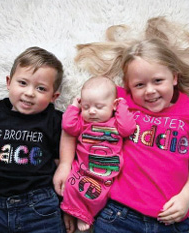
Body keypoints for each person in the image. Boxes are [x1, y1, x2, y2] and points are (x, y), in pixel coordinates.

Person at [55, 17, 189, 232]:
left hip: (170, 219)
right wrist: (65, 165)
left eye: (158, 81)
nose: (149, 90)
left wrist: (186, 197)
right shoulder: (118, 102)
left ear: (174, 77)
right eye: (139, 85)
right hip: (119, 214)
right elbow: (72, 127)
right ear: (128, 86)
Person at [0, 46, 69, 233]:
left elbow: (62, 166)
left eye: (41, 88)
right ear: (8, 82)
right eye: (22, 83)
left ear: (54, 96)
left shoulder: (54, 121)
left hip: (42, 206)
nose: (30, 93)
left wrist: (68, 208)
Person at [58, 76, 136, 231]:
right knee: (71, 186)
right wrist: (74, 107)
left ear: (113, 105)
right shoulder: (82, 122)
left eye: (99, 107)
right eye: (86, 107)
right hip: (83, 168)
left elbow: (128, 129)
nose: (92, 111)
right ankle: (74, 211)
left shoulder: (116, 123)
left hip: (105, 172)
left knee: (100, 195)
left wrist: (121, 106)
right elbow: (68, 126)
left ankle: (85, 214)